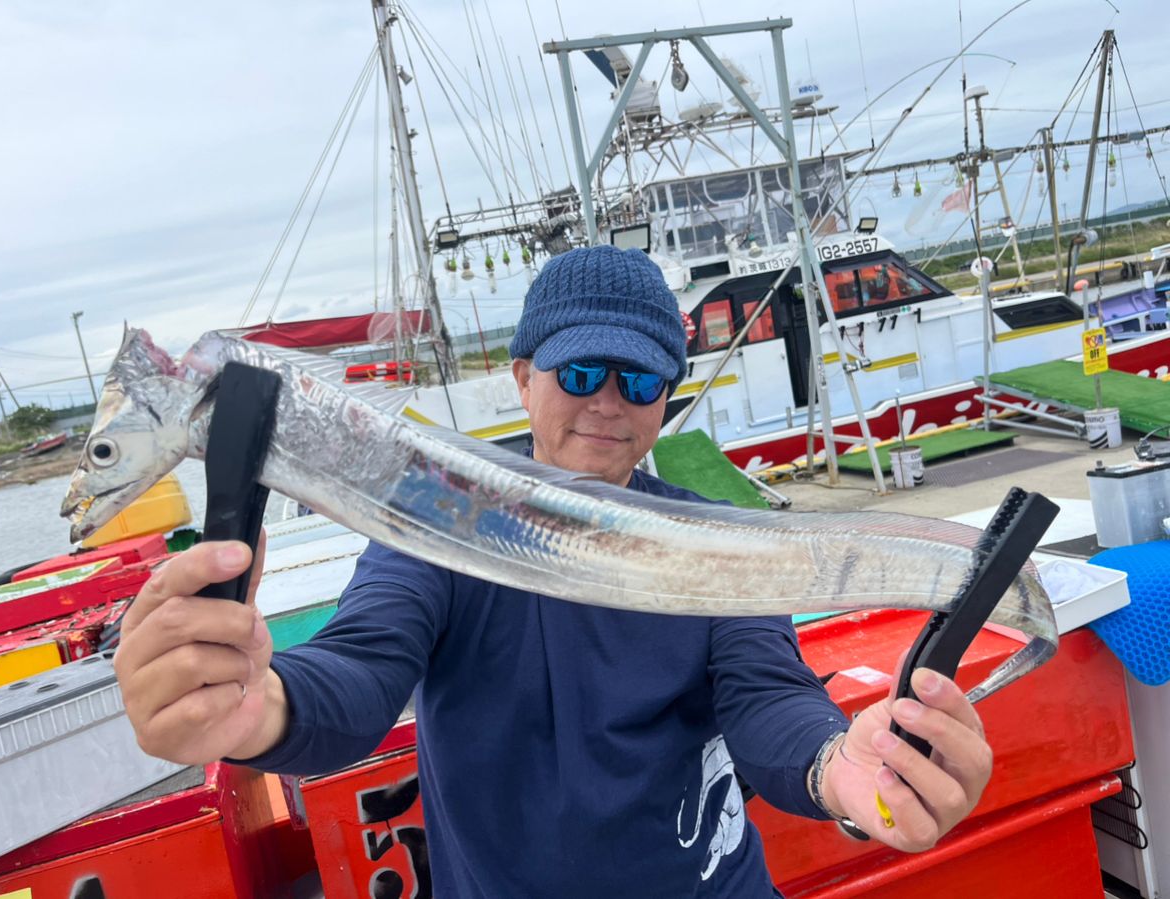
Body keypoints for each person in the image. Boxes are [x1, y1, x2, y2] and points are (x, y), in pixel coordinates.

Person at [114, 245, 992, 897]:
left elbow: (768, 700)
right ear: (523, 377)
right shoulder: (442, 528)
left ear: (666, 400)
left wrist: (843, 767)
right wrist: (251, 701)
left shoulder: (717, 541)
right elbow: (363, 663)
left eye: (640, 381)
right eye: (578, 371)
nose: (607, 402)